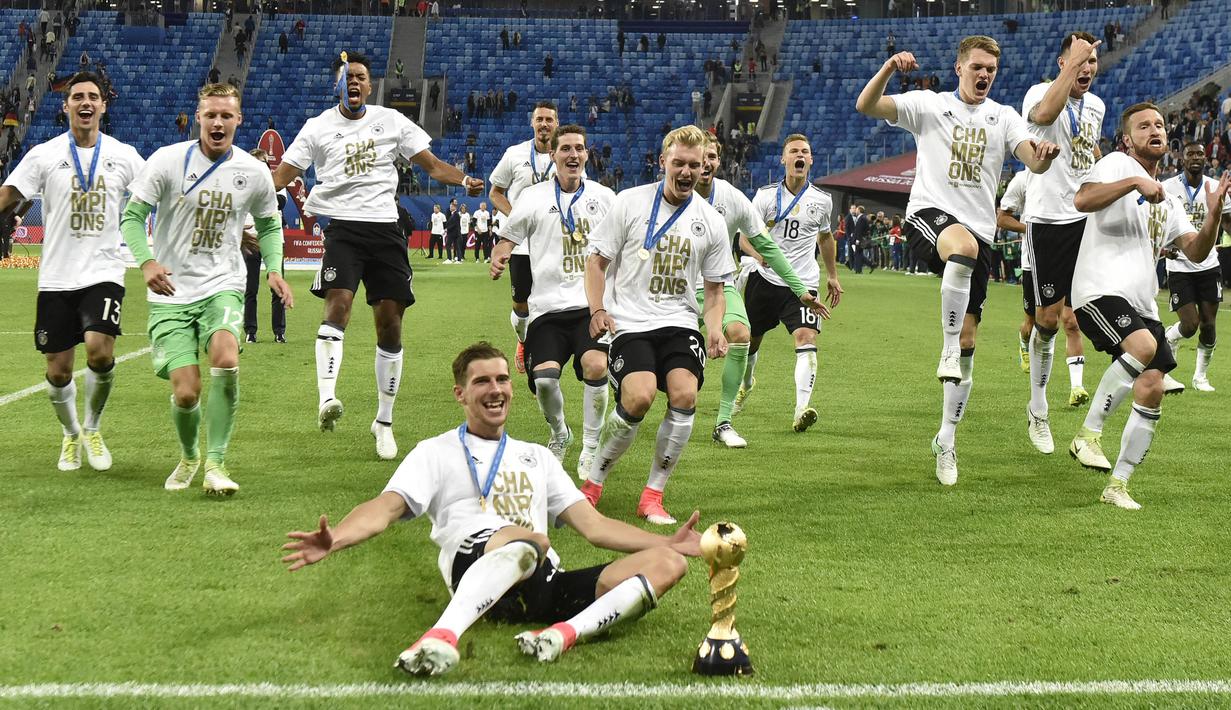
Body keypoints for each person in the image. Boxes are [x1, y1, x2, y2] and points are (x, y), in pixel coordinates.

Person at [281, 342, 700, 675]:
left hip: (541, 581)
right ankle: (442, 634)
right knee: (531, 541)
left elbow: (595, 526)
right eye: (482, 381)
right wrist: (337, 538)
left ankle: (561, 635)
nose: (496, 389)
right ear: (460, 394)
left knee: (667, 564)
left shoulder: (537, 457)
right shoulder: (435, 451)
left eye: (502, 379)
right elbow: (384, 508)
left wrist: (668, 542)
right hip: (474, 565)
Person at [856, 36, 1060, 486]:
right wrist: (889, 67)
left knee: (970, 344)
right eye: (977, 67)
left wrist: (1043, 157)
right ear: (959, 68)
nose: (984, 74)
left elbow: (1032, 160)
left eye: (991, 69)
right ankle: (946, 348)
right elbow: (866, 105)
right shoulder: (930, 105)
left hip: (979, 235)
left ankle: (946, 440)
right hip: (930, 217)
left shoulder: (1003, 116)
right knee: (962, 249)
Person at [273, 51, 482, 460]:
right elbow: (283, 174)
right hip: (343, 229)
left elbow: (432, 165)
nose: (353, 81)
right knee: (338, 305)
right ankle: (326, 398)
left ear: (370, 86)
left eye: (360, 76)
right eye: (347, 76)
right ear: (338, 85)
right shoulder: (317, 127)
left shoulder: (391, 121)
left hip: (386, 230)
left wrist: (464, 180)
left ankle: (383, 422)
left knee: (390, 325)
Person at [118, 82, 293, 495]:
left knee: (226, 357)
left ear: (238, 120)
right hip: (171, 291)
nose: (218, 122)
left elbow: (269, 224)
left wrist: (274, 269)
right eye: (210, 115)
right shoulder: (167, 161)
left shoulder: (253, 172)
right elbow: (132, 217)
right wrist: (146, 262)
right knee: (186, 392)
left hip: (222, 283)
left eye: (225, 115)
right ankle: (189, 456)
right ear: (198, 118)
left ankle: (216, 463)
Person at [1068, 103, 1230, 509]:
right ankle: (1087, 435)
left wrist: (1213, 216)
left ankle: (1117, 485)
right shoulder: (1116, 164)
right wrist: (1133, 182)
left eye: (1159, 124)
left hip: (1142, 304)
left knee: (1153, 386)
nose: (1154, 130)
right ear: (1127, 139)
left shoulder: (1169, 200)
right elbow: (1083, 199)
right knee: (1142, 348)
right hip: (1099, 289)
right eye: (1143, 126)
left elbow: (1195, 251)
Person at [579, 125, 735, 525]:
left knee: (685, 394)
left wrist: (714, 327)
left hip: (680, 321)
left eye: (694, 165)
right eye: (679, 163)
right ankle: (592, 485)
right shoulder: (629, 203)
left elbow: (714, 292)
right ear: (663, 161)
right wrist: (597, 310)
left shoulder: (711, 221)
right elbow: (596, 262)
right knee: (639, 397)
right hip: (630, 323)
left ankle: (652, 496)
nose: (687, 172)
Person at [0, 71, 144, 472]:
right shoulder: (44, 155)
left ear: (103, 106)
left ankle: (93, 428)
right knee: (58, 369)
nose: (85, 102)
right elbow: (9, 194)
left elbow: (158, 192)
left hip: (104, 270)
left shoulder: (123, 155)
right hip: (57, 276)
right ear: (65, 106)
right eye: (77, 96)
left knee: (100, 350)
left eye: (92, 96)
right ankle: (70, 434)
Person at [490, 124, 616, 478]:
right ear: (553, 155)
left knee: (596, 366)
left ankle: (590, 445)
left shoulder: (606, 198)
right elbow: (509, 236)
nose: (573, 154)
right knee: (545, 380)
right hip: (546, 308)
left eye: (579, 148)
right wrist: (500, 254)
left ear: (586, 154)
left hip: (590, 306)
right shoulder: (532, 197)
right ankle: (560, 433)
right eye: (566, 149)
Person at [697, 134, 832, 448]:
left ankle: (731, 421)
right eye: (698, 158)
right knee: (680, 380)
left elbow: (771, 245)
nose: (704, 164)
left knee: (744, 336)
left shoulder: (732, 197)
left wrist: (805, 288)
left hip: (730, 283)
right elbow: (748, 242)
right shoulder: (764, 196)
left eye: (711, 157)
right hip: (734, 283)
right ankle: (743, 383)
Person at [1019, 32, 1104, 455]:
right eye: (1079, 60)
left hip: (1086, 219)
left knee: (1088, 310)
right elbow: (1043, 116)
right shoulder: (1040, 92)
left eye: (1092, 61)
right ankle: (1038, 408)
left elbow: (1088, 153)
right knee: (1048, 320)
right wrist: (1072, 66)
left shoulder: (1098, 106)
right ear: (1062, 63)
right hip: (1049, 219)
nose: (1087, 67)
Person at [739, 134, 841, 436]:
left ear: (810, 160)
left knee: (806, 337)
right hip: (765, 281)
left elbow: (825, 238)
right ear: (783, 159)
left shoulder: (822, 200)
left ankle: (801, 409)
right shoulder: (765, 196)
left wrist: (832, 275)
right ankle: (747, 383)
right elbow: (744, 237)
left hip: (803, 284)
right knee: (750, 341)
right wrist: (758, 255)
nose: (800, 155)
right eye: (794, 151)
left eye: (805, 152)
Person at [998, 170, 1089, 401]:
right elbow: (1002, 218)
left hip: (1069, 258)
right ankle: (1024, 342)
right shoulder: (1023, 179)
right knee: (1035, 323)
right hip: (1034, 261)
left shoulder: (1070, 175)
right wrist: (1031, 229)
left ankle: (1076, 387)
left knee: (1071, 322)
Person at [489, 101, 562, 374]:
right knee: (521, 303)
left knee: (549, 301)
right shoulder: (515, 153)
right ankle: (522, 340)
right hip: (521, 245)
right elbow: (495, 192)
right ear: (532, 122)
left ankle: (543, 353)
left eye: (549, 120)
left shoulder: (566, 154)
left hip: (553, 240)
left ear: (556, 124)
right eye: (539, 119)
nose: (544, 124)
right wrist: (517, 217)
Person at [1162, 141, 1231, 392]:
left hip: (1209, 264)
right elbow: (1158, 220)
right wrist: (1163, 248)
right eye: (1190, 153)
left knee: (1209, 326)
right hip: (1179, 265)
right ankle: (1171, 336)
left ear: (1205, 158)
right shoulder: (1167, 188)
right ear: (1182, 159)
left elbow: (1227, 221)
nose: (1195, 157)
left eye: (1200, 154)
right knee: (1190, 325)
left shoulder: (1215, 187)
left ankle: (1200, 377)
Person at [241, 148, 288, 344]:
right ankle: (250, 331)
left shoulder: (275, 181)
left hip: (273, 240)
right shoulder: (241, 182)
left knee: (277, 287)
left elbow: (280, 202)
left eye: (262, 163)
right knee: (250, 288)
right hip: (250, 239)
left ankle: (279, 331)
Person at [444, 198, 461, 263]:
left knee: (449, 245)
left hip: (454, 233)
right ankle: (455, 259)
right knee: (455, 246)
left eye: (451, 207)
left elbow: (454, 224)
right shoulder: (453, 214)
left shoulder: (456, 214)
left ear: (454, 207)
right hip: (453, 232)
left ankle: (450, 259)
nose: (450, 208)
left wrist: (447, 229)